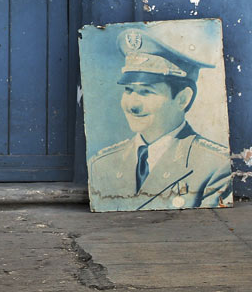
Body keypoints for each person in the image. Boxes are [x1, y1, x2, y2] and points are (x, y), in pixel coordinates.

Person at [88, 27, 233, 210]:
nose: (132, 104)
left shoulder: (215, 167)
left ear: (182, 99)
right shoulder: (100, 166)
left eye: (146, 92)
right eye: (128, 90)